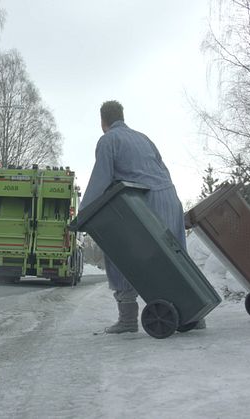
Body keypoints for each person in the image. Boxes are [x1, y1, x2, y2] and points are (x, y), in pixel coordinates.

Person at [80, 100, 198, 334]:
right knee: (174, 258)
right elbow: (162, 169)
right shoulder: (144, 138)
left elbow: (101, 179)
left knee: (122, 253)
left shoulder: (108, 140)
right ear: (122, 116)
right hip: (170, 199)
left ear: (103, 121)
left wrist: (83, 211)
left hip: (143, 203)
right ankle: (193, 312)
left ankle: (127, 320)